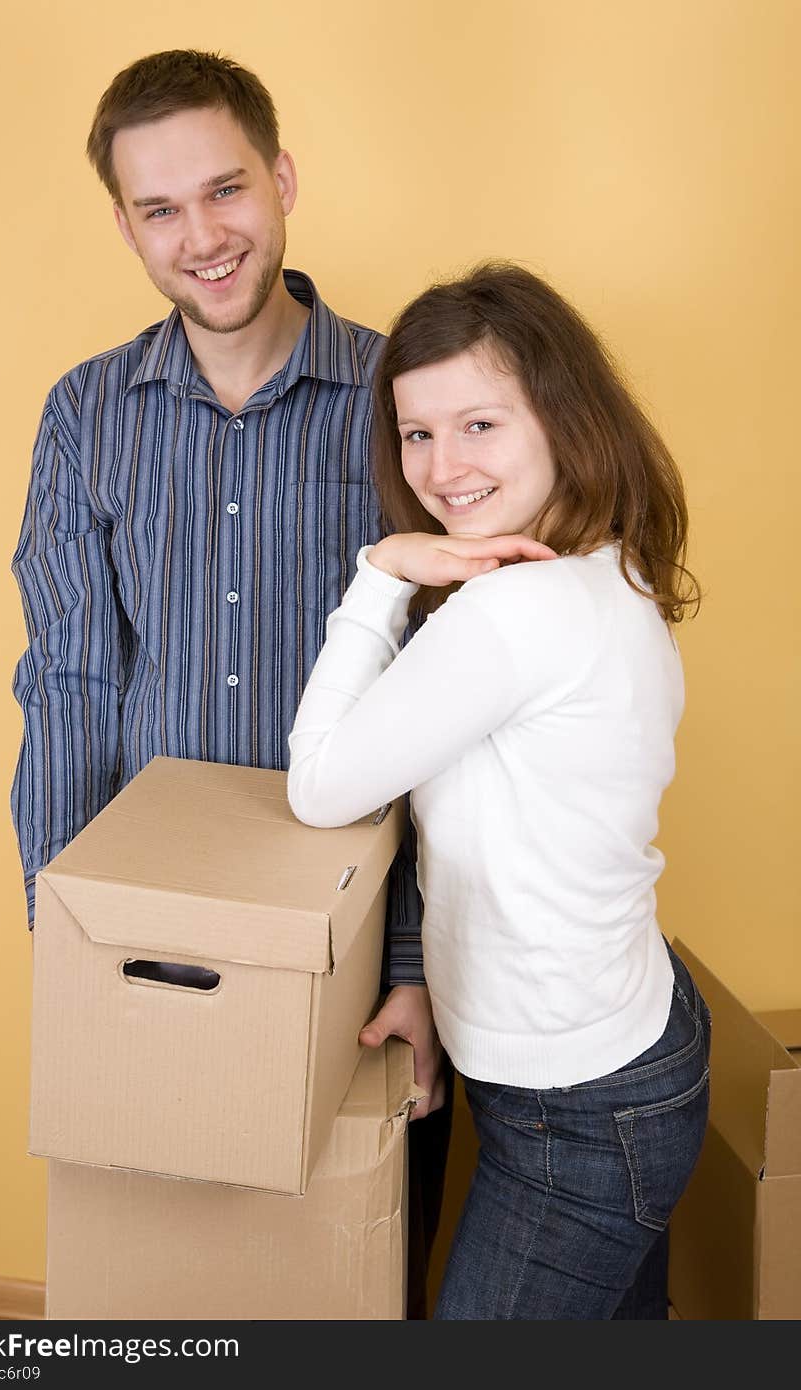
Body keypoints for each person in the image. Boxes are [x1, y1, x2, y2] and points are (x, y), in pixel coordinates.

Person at [9, 48, 449, 1317]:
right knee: (165, 1288)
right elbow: (73, 679)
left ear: (283, 179)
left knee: (350, 1281)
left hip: (363, 952)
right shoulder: (86, 414)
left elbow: (451, 703)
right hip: (150, 948)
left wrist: (413, 960)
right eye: (161, 208)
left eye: (226, 190)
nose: (201, 236)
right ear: (126, 225)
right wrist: (67, 931)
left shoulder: (399, 400)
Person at [287, 262, 711, 1319]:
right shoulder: (610, 572)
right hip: (623, 1044)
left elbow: (319, 784)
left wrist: (383, 570)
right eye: (416, 433)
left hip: (577, 1109)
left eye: (478, 424)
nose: (440, 466)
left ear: (562, 419)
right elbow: (497, 827)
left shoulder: (509, 614)